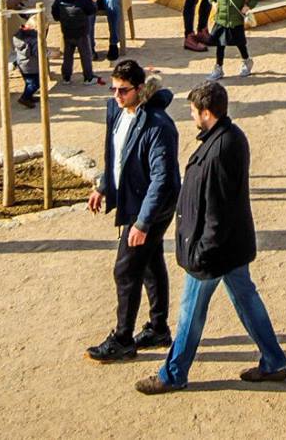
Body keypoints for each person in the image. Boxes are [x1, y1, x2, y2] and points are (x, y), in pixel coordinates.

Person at [137, 80, 286, 393]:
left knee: (190, 313)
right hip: (230, 247)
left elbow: (218, 210)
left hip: (214, 251)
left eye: (194, 111)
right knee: (247, 301)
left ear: (206, 113)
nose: (192, 116)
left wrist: (202, 250)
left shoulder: (220, 148)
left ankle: (173, 374)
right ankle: (274, 361)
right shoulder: (228, 137)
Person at [88, 59, 181, 362]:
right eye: (114, 89)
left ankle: (123, 338)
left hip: (151, 208)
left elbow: (162, 179)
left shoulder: (158, 125)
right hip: (133, 200)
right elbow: (115, 154)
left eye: (123, 91)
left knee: (125, 269)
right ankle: (158, 328)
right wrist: (103, 185)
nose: (116, 95)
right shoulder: (117, 111)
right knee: (151, 263)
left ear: (139, 90)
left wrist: (142, 223)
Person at [205, 0, 258, 80]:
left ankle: (246, 61)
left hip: (236, 22)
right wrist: (213, 2)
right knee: (220, 45)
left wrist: (247, 6)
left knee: (240, 43)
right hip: (221, 20)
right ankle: (218, 68)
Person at [56, 0, 101, 86]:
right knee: (85, 54)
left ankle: (66, 77)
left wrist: (60, 19)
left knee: (68, 54)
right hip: (81, 30)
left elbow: (55, 9)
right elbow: (91, 10)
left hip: (66, 29)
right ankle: (88, 77)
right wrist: (92, 0)